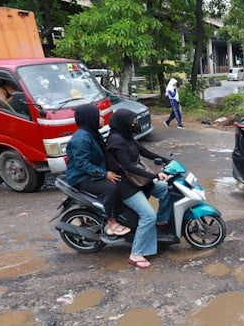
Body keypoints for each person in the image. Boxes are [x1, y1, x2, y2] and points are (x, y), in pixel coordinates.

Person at [107, 108, 172, 269]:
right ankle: (136, 254)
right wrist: (155, 175)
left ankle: (161, 222)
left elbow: (143, 151)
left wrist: (165, 160)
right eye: (132, 122)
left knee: (166, 189)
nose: (134, 124)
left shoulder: (126, 136)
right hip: (126, 185)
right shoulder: (116, 141)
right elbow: (128, 166)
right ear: (123, 122)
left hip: (138, 180)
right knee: (148, 216)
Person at [65, 104, 131, 237]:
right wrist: (104, 174)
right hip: (81, 177)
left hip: (93, 172)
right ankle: (112, 223)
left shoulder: (92, 133)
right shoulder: (81, 138)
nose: (103, 119)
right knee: (110, 188)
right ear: (90, 118)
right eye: (99, 116)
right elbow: (81, 163)